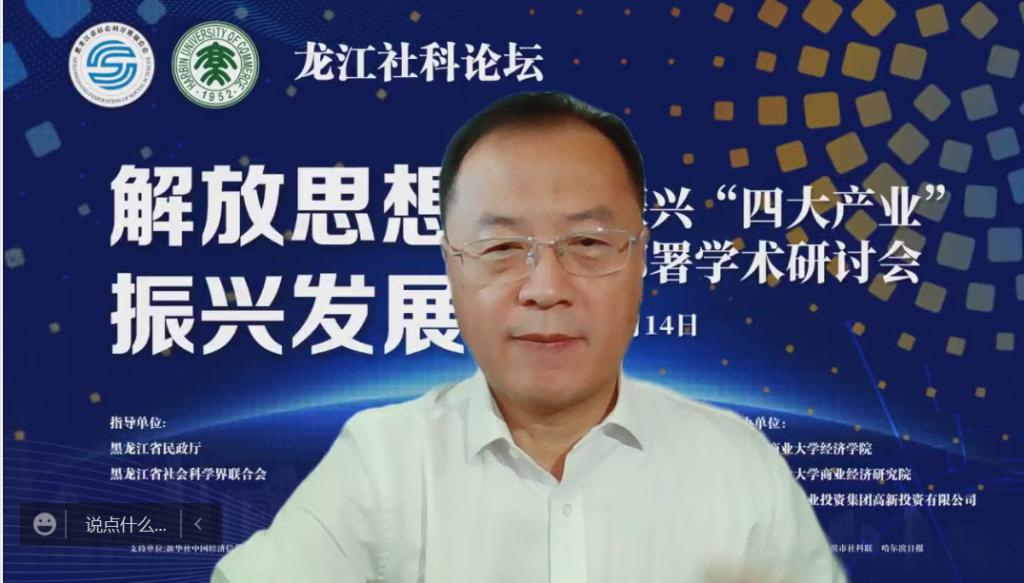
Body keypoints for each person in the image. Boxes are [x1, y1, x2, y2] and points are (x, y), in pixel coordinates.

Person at [211, 91, 847, 582]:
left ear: (641, 260)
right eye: (502, 247)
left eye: (589, 242)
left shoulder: (736, 465)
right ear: (451, 267)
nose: (545, 287)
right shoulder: (384, 461)